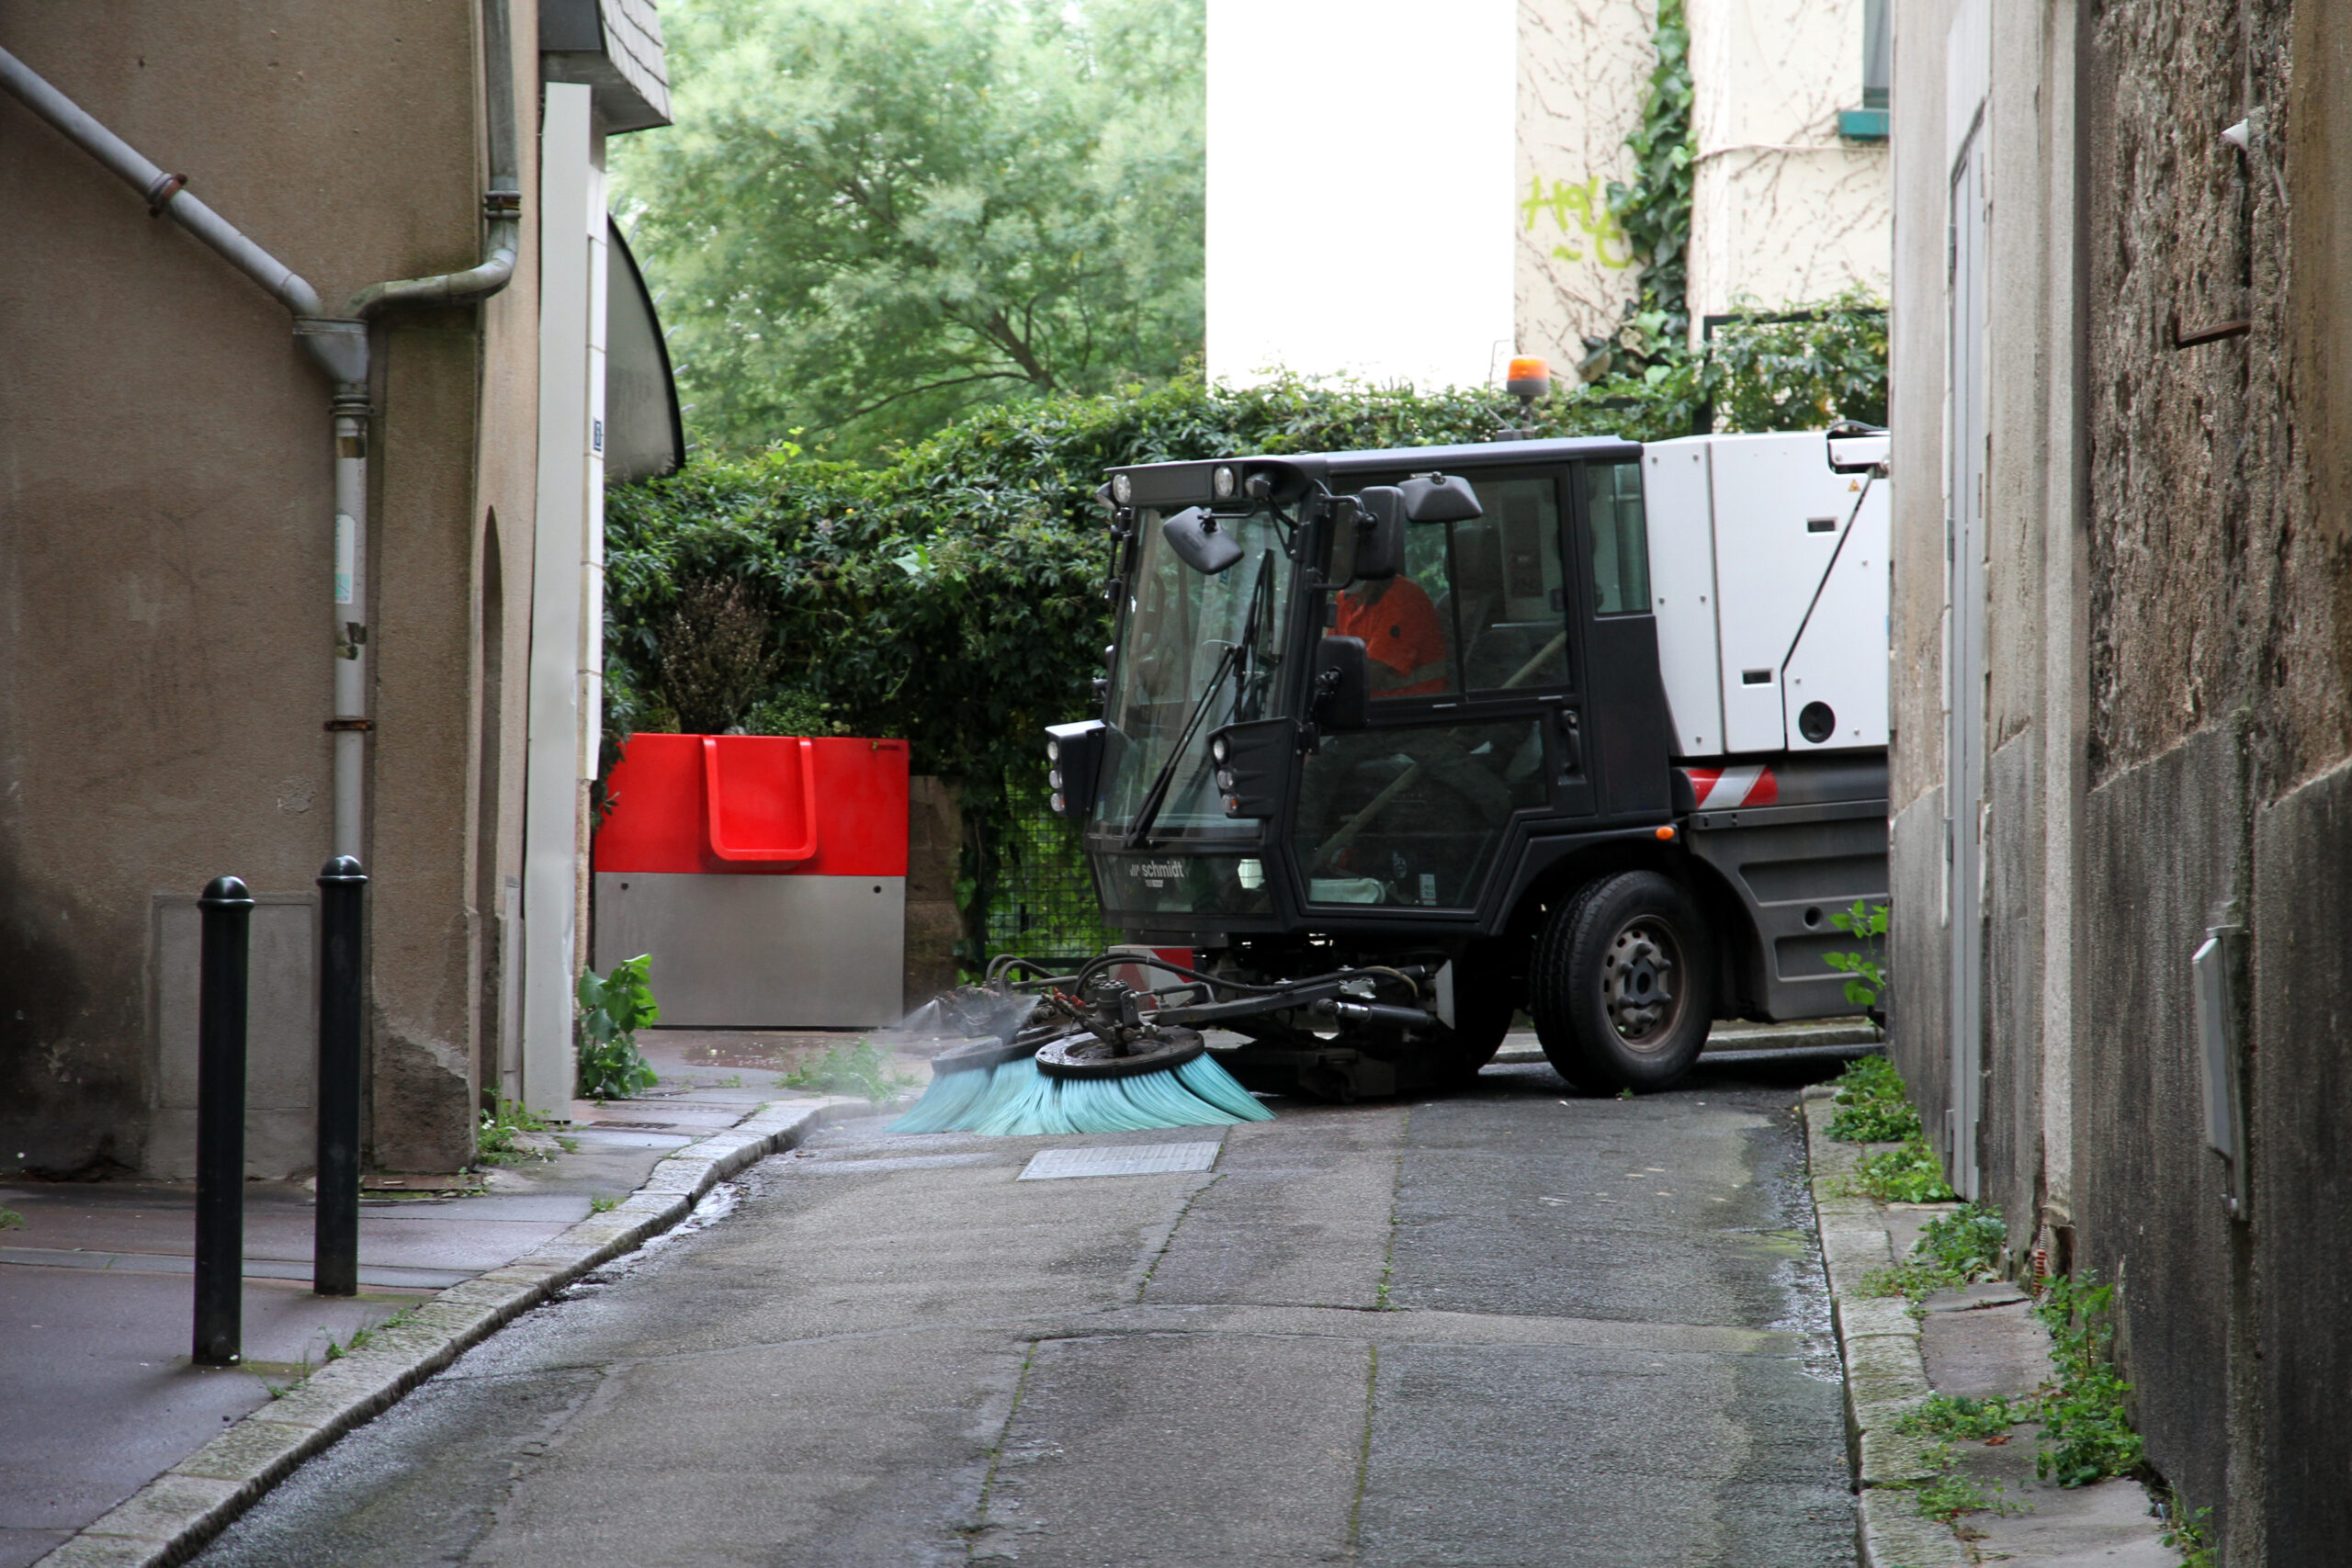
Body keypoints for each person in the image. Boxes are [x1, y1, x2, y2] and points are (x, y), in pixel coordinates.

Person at [1333, 575, 1449, 696]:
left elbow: (1371, 675)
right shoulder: (1345, 597)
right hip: (1371, 702)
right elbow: (1330, 655)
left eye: (1341, 559)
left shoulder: (1404, 598)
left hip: (1414, 702)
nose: (1334, 568)